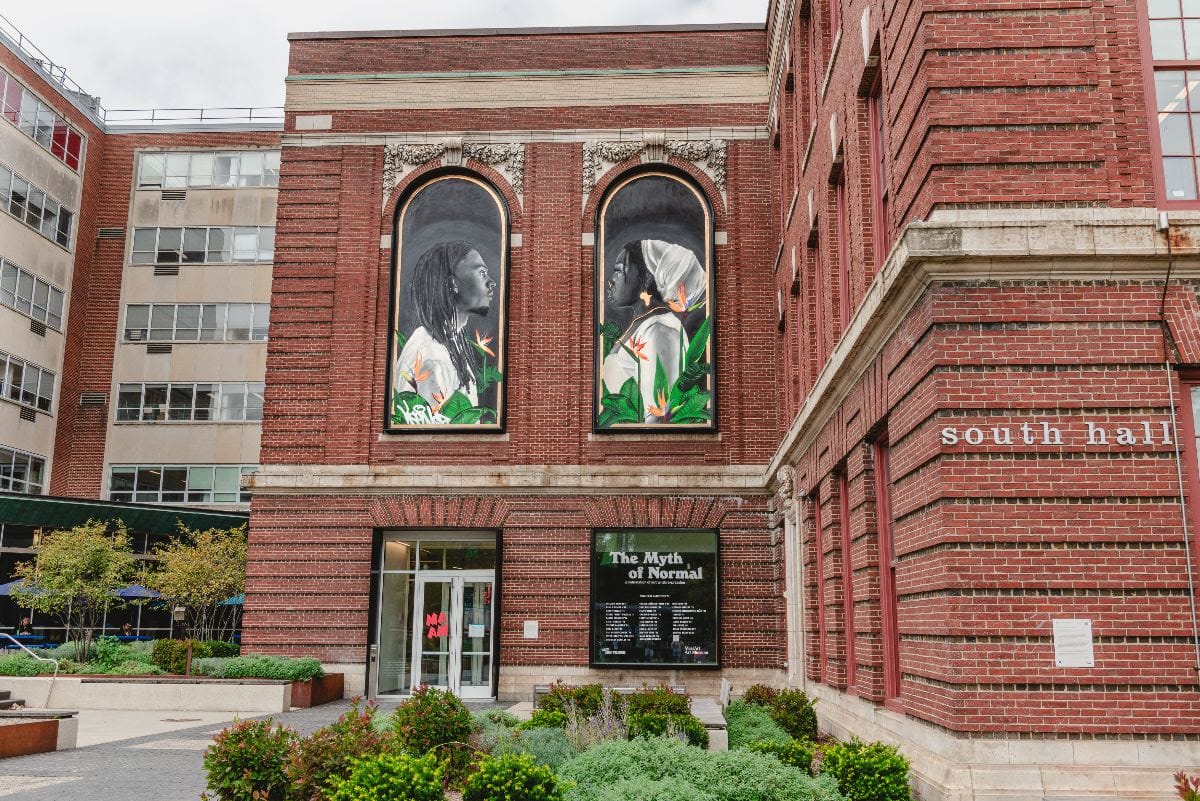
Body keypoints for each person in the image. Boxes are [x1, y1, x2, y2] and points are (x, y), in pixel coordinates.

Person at [601, 240, 707, 422]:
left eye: (619, 271)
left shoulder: (660, 331)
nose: (610, 281)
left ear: (646, 279)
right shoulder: (642, 324)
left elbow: (658, 418)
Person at [394, 241, 497, 423]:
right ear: (453, 284)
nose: (492, 282)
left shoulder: (450, 341)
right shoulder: (432, 358)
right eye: (481, 273)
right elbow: (436, 437)